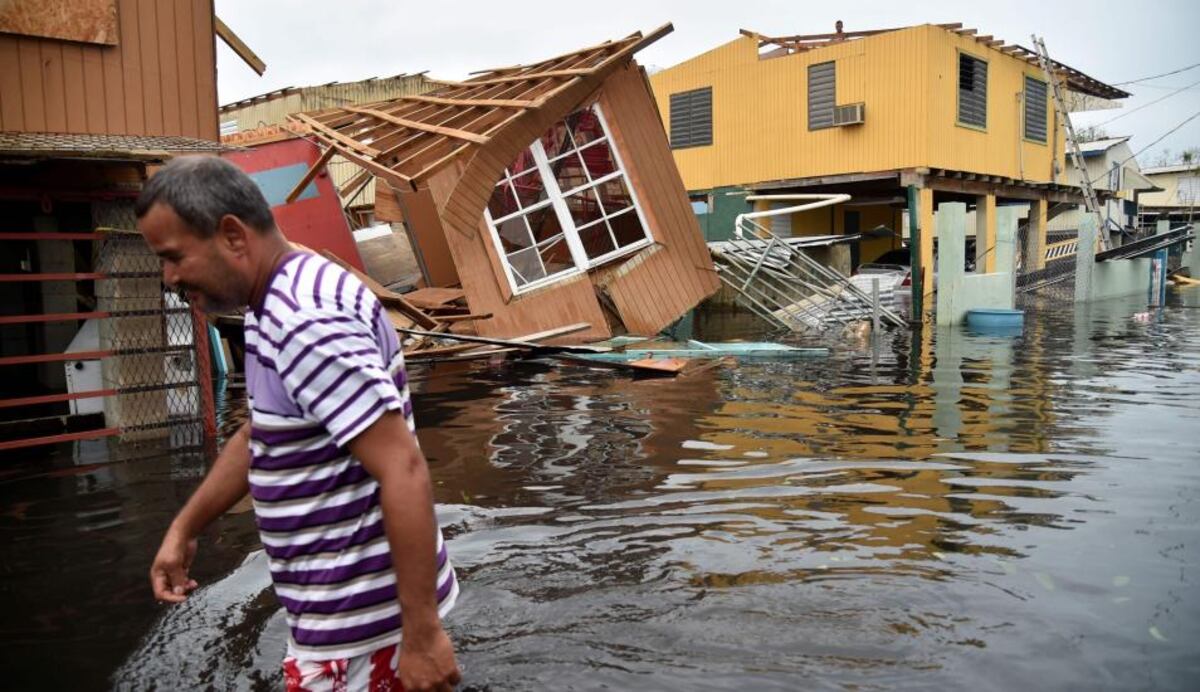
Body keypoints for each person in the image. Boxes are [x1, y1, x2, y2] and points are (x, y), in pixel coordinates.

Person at [140, 156, 460, 692]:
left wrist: (421, 636)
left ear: (232, 235)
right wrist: (185, 528)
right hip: (346, 616)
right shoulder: (277, 298)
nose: (170, 278)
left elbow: (403, 468)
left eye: (174, 258)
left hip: (360, 630)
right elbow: (261, 432)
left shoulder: (304, 324)